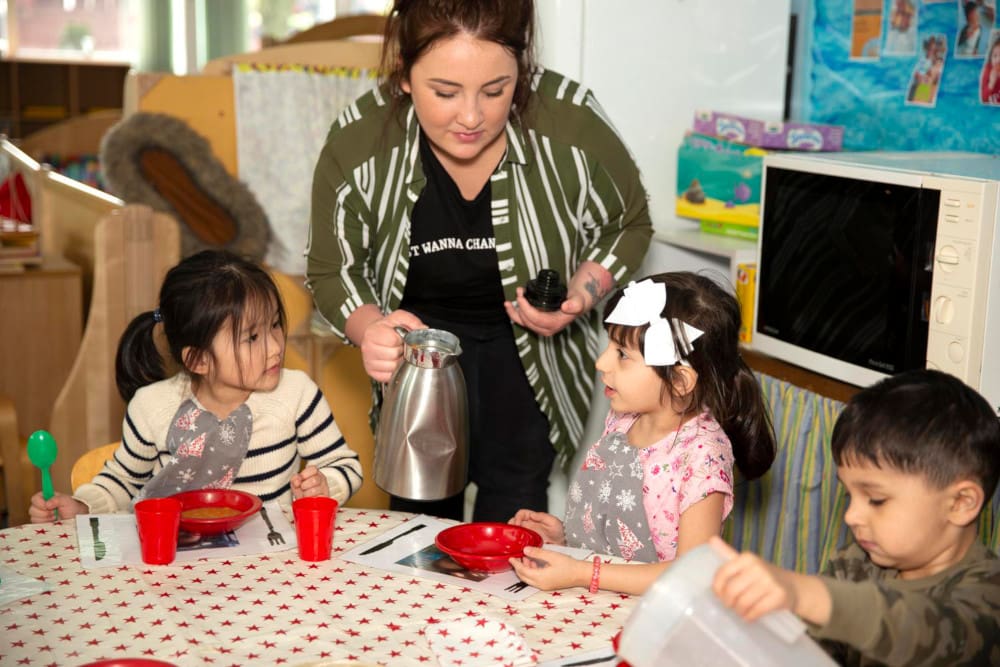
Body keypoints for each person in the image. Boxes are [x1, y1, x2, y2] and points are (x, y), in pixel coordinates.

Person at [306, 0, 652, 523]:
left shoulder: (572, 125)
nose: (471, 116)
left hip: (531, 362)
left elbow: (627, 223)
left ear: (522, 70)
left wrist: (581, 294)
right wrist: (370, 327)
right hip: (418, 358)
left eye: (496, 90)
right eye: (444, 92)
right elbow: (333, 270)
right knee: (417, 530)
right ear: (403, 73)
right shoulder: (359, 141)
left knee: (512, 533)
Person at [29, 250, 363, 522]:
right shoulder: (151, 407)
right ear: (198, 360)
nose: (276, 347)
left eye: (275, 324)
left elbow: (344, 465)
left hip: (271, 569)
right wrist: (83, 507)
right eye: (252, 337)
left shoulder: (297, 394)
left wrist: (325, 486)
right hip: (179, 570)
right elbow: (123, 481)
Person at [507, 273, 776, 595]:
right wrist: (568, 537)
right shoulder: (623, 419)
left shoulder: (702, 455)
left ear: (679, 381)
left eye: (622, 354)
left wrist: (580, 572)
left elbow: (691, 574)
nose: (601, 363)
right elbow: (623, 536)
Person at [711, 369, 1000, 667]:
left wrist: (802, 593)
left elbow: (925, 632)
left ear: (961, 503)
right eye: (850, 496)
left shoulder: (989, 590)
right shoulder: (856, 563)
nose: (851, 516)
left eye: (876, 499)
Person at [981, 33, 1000, 104]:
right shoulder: (988, 70)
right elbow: (983, 99)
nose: (998, 60)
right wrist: (991, 84)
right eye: (995, 56)